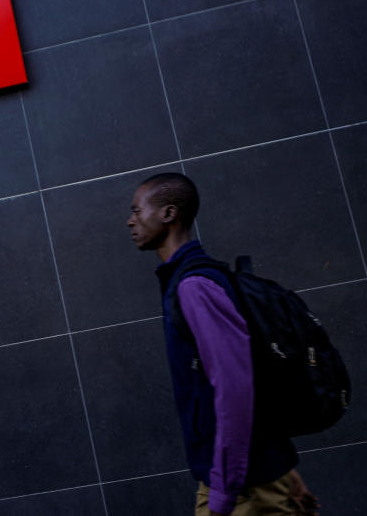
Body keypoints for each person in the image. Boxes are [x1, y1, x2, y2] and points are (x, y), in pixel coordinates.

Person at [127, 173, 319, 516]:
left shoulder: (195, 287)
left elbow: (235, 389)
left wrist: (223, 496)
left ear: (169, 214)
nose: (131, 221)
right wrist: (286, 474)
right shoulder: (193, 279)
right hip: (245, 477)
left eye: (137, 211)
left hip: (245, 489)